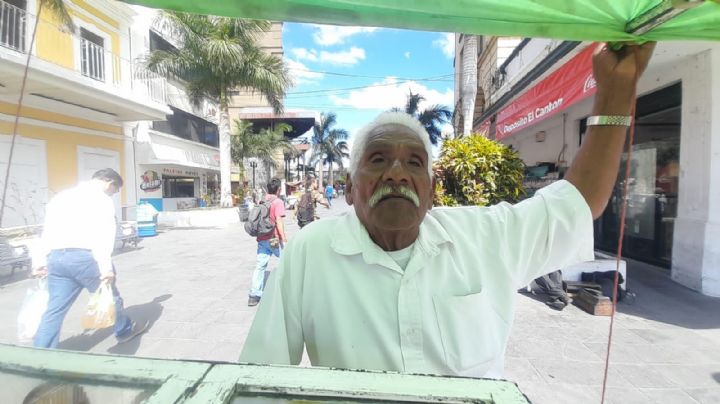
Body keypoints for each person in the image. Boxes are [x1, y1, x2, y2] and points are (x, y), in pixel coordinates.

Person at [240, 43, 656, 378]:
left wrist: (617, 92)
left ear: (433, 190)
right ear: (348, 190)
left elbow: (579, 202)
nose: (397, 174)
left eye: (415, 162)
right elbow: (261, 373)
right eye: (379, 159)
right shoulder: (309, 254)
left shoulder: (485, 238)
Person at [33, 169, 148, 348]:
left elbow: (46, 230)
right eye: (115, 190)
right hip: (86, 259)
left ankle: (41, 350)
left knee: (54, 309)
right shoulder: (102, 200)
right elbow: (103, 236)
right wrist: (106, 268)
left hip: (57, 258)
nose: (114, 194)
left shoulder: (61, 197)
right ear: (110, 183)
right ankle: (124, 330)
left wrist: (39, 261)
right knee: (109, 297)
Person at [248, 178, 287, 307]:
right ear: (279, 189)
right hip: (274, 239)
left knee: (260, 266)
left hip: (262, 238)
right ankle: (284, 291)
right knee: (286, 262)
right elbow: (279, 222)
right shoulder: (278, 202)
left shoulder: (263, 200)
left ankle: (254, 295)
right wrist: (284, 239)